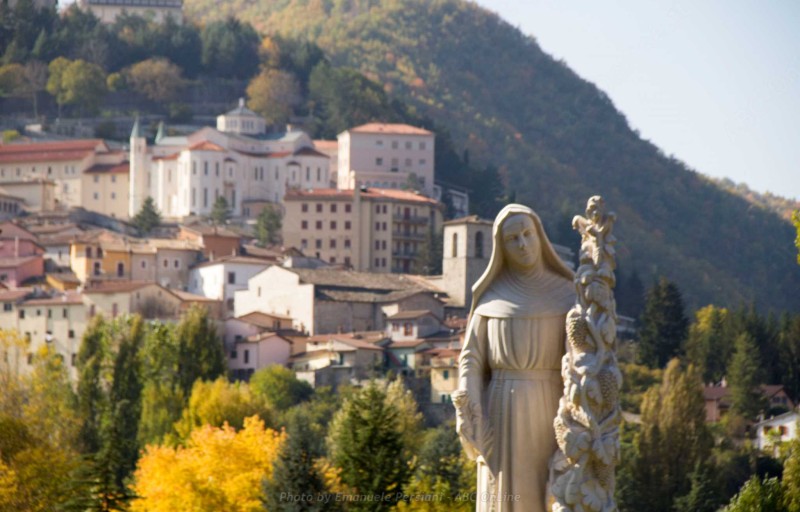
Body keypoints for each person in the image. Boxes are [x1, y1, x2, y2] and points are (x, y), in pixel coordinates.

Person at [453, 204, 575, 512]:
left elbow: (579, 360)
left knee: (543, 493)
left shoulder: (566, 294)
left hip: (550, 408)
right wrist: (469, 406)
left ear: (540, 237)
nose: (522, 244)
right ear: (502, 247)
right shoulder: (491, 297)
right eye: (513, 239)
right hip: (500, 410)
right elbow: (471, 359)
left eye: (527, 234)